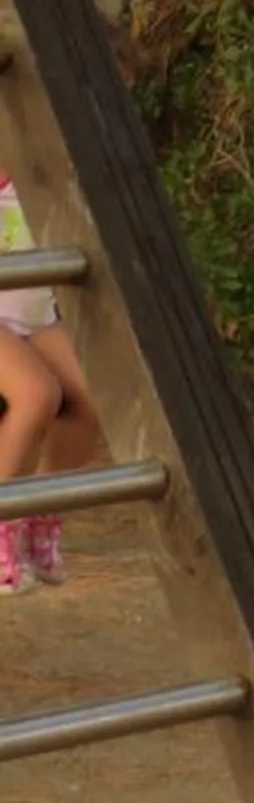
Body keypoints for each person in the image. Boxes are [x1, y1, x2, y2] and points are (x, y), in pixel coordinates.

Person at [0, 171, 100, 594]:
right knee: (36, 394)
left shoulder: (45, 166)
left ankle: (40, 514)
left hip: (31, 314)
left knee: (94, 396)